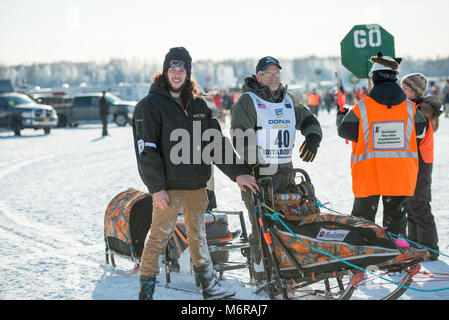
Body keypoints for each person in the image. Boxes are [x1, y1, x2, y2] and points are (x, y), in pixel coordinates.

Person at [132, 47, 259, 300]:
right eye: (172, 69)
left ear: (188, 73)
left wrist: (237, 174)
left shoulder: (198, 105)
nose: (177, 74)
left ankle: (209, 288)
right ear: (165, 71)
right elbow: (147, 151)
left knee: (199, 237)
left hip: (197, 188)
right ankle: (146, 293)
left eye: (181, 69)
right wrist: (156, 188)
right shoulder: (150, 105)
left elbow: (216, 143)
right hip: (167, 189)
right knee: (158, 239)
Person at [230, 56, 322, 282]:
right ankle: (262, 274)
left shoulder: (289, 99)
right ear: (258, 76)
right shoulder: (247, 101)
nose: (273, 77)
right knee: (262, 226)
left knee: (291, 222)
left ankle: (289, 271)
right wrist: (256, 164)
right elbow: (240, 136)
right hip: (258, 175)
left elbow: (309, 120)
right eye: (268, 73)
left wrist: (312, 138)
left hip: (287, 174)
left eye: (276, 73)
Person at [336, 53, 427, 237]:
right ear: (394, 77)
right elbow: (421, 131)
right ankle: (396, 259)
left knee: (363, 224)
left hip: (370, 175)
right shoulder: (409, 108)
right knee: (396, 226)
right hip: (400, 177)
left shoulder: (361, 108)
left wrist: (341, 117)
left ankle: (363, 258)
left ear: (375, 77)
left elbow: (345, 132)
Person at [401, 73, 442, 260]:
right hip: (412, 161)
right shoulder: (411, 107)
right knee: (410, 205)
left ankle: (429, 248)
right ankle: (415, 244)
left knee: (419, 205)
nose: (402, 91)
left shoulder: (420, 111)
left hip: (421, 162)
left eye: (406, 88)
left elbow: (416, 133)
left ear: (415, 91)